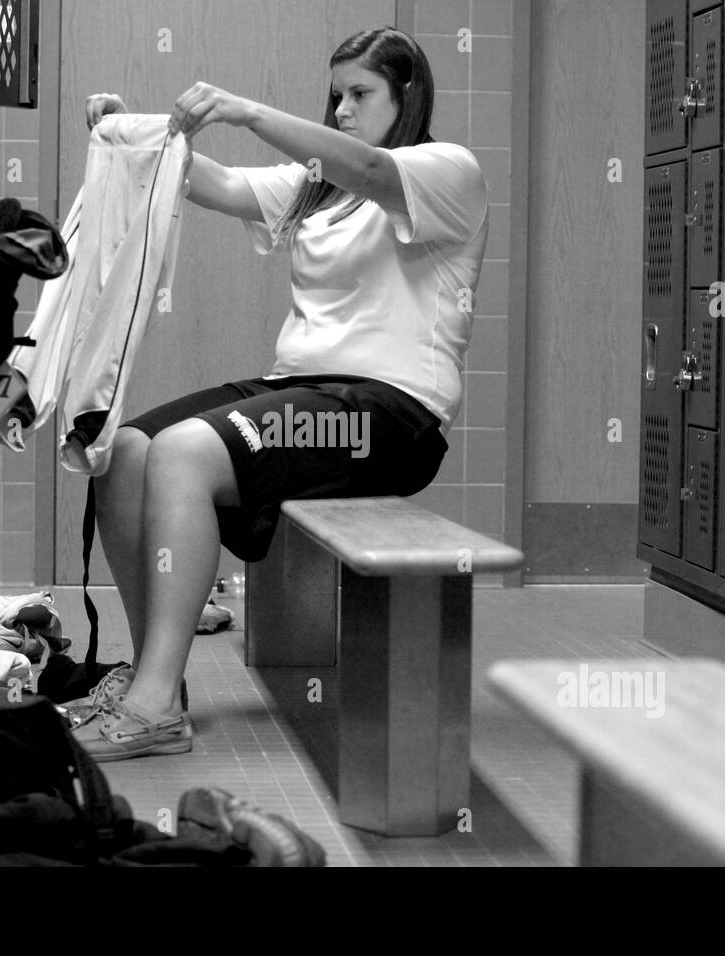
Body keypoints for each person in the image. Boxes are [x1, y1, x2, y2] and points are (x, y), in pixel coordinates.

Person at [70, 25, 489, 761]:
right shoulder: (316, 189)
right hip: (302, 392)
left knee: (183, 454)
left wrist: (246, 110)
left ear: (409, 95)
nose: (343, 110)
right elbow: (220, 184)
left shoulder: (445, 172)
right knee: (125, 450)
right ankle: (154, 680)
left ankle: (153, 705)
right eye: (336, 95)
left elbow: (365, 165)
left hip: (386, 416)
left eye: (361, 94)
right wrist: (128, 133)